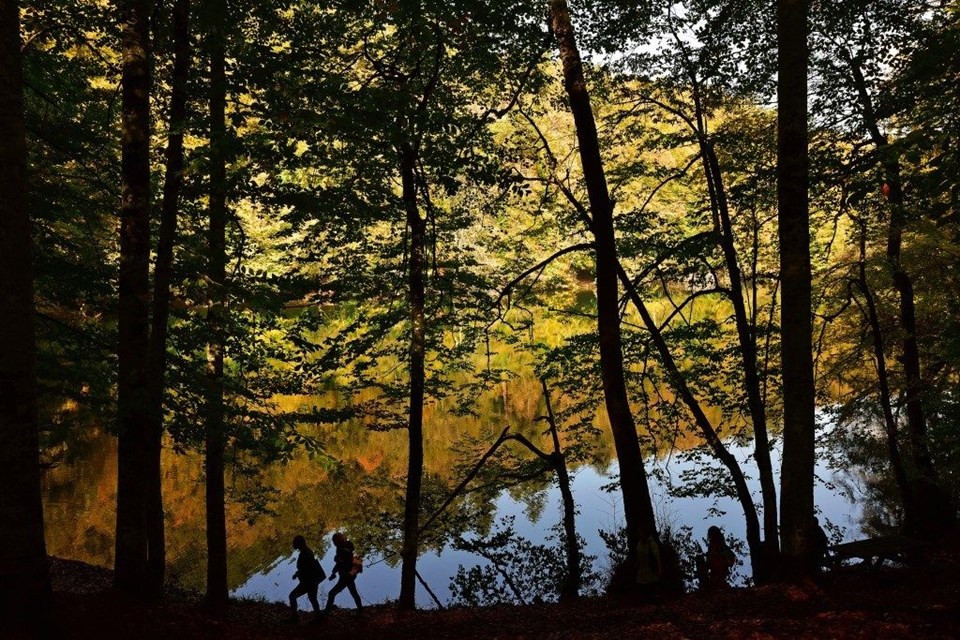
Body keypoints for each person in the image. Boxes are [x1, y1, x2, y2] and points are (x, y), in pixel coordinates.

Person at [324, 531, 363, 614]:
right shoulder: (341, 548)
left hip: (346, 576)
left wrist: (337, 560)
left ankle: (326, 612)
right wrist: (334, 572)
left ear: (338, 540)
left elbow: (344, 561)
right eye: (333, 540)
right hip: (348, 575)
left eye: (334, 540)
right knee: (353, 592)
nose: (333, 542)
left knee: (331, 593)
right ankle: (360, 611)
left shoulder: (343, 548)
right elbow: (340, 563)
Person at [289, 535, 325, 622]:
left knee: (292, 596)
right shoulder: (308, 551)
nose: (296, 546)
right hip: (312, 580)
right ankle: (318, 617)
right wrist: (297, 574)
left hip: (308, 582)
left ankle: (295, 618)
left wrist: (298, 574)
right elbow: (306, 568)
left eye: (296, 544)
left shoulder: (305, 554)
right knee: (313, 598)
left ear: (298, 544)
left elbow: (306, 569)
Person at [704, 525, 735, 591]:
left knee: (718, 584)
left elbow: (732, 556)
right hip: (714, 569)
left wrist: (727, 563)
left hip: (720, 568)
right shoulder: (712, 546)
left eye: (709, 534)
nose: (708, 536)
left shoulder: (721, 545)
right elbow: (709, 558)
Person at [635, 531, 662, 602]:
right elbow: (638, 556)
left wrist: (659, 569)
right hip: (642, 571)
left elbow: (657, 557)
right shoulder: (639, 544)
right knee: (644, 589)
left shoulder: (651, 544)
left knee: (652, 588)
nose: (640, 534)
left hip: (651, 571)